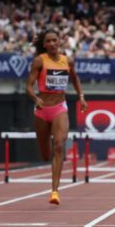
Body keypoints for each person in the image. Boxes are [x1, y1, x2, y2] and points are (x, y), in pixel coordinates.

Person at [26, 29, 87, 205]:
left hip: (60, 108)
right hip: (42, 109)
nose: (52, 43)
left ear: (59, 42)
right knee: (45, 154)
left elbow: (75, 79)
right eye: (49, 41)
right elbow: (28, 86)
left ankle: (54, 191)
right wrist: (35, 98)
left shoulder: (67, 61)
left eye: (55, 40)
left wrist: (81, 97)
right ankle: (47, 159)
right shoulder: (39, 61)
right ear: (44, 45)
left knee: (59, 145)